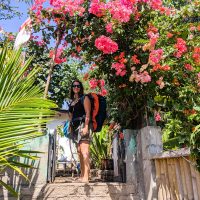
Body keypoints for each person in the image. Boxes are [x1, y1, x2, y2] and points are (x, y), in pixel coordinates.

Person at [68, 79, 92, 183]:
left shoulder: (84, 98)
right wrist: (70, 125)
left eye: (78, 86)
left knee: (84, 150)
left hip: (83, 124)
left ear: (81, 87)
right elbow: (71, 115)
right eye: (74, 86)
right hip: (75, 126)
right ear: (72, 88)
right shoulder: (72, 101)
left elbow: (88, 113)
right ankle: (83, 174)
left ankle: (86, 176)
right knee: (79, 151)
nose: (76, 87)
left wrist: (86, 126)